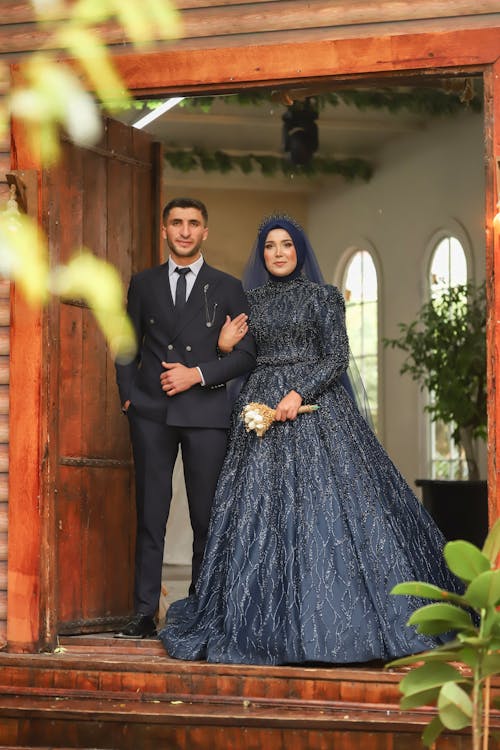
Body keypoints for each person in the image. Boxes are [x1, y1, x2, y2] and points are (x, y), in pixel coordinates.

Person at [158, 213, 460, 665]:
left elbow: (337, 356)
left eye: (286, 245)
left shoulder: (324, 297)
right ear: (262, 254)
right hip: (260, 411)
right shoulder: (249, 301)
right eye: (269, 246)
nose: (278, 253)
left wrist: (298, 393)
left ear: (299, 251)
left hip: (316, 409)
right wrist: (223, 348)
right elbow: (240, 358)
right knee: (260, 517)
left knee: (331, 514)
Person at [114, 197, 256, 639]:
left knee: (205, 517)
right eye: (176, 223)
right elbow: (126, 344)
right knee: (151, 513)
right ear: (164, 230)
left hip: (206, 412)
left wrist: (197, 373)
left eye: (193, 223)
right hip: (152, 413)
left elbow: (248, 356)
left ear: (205, 232)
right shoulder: (144, 283)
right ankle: (143, 612)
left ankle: (200, 607)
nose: (185, 231)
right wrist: (128, 398)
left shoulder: (228, 286)